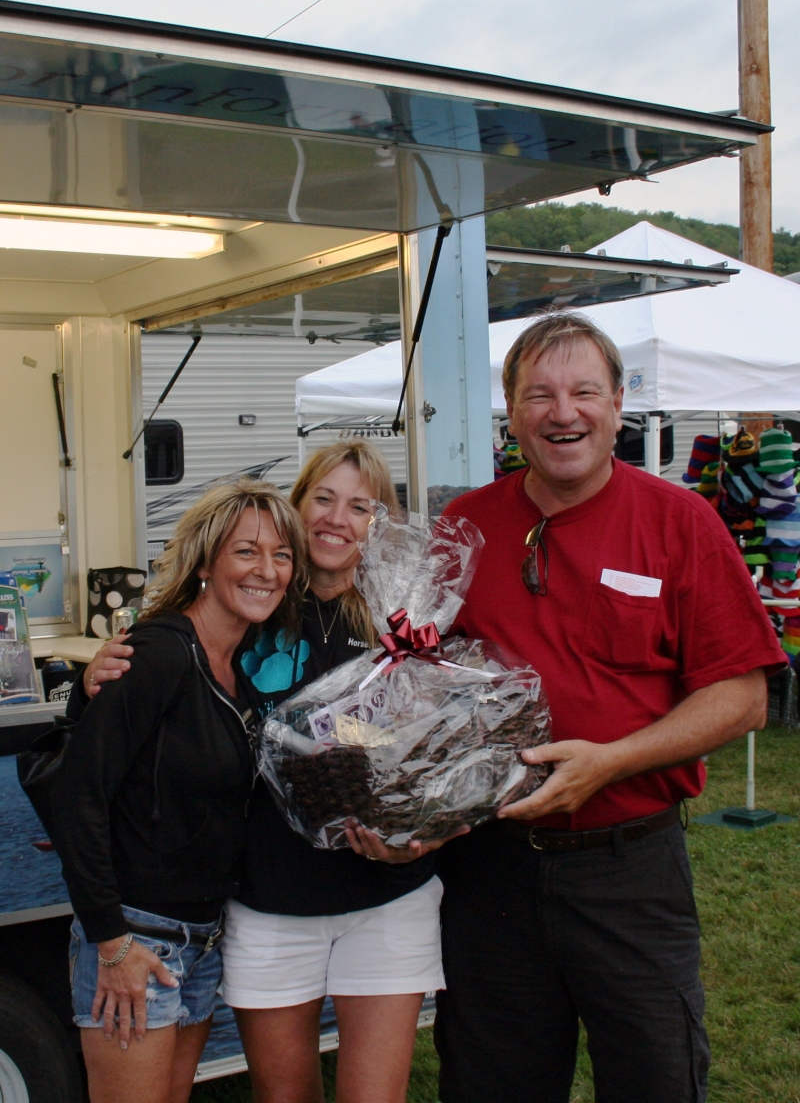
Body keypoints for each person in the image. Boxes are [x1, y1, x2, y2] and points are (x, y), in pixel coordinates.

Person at [433, 310, 785, 1103]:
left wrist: (611, 763)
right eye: (541, 394)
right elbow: (419, 678)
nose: (564, 413)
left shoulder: (681, 523)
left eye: (585, 391)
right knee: (493, 1082)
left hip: (628, 868)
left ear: (619, 403)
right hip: (489, 872)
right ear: (512, 408)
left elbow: (743, 696)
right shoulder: (465, 528)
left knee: (656, 1077)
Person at [82, 441, 458, 1103]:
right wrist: (95, 678)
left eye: (361, 506)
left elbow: (436, 757)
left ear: (382, 523)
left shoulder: (403, 623)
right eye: (323, 498)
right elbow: (156, 677)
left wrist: (425, 831)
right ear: (297, 502)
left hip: (386, 900)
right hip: (268, 899)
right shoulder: (250, 603)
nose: (338, 519)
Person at [52, 481, 306, 1103]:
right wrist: (112, 944)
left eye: (281, 555)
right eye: (246, 552)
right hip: (136, 937)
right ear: (203, 562)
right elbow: (76, 797)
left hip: (200, 939)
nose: (267, 571)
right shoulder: (159, 654)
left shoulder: (240, 669)